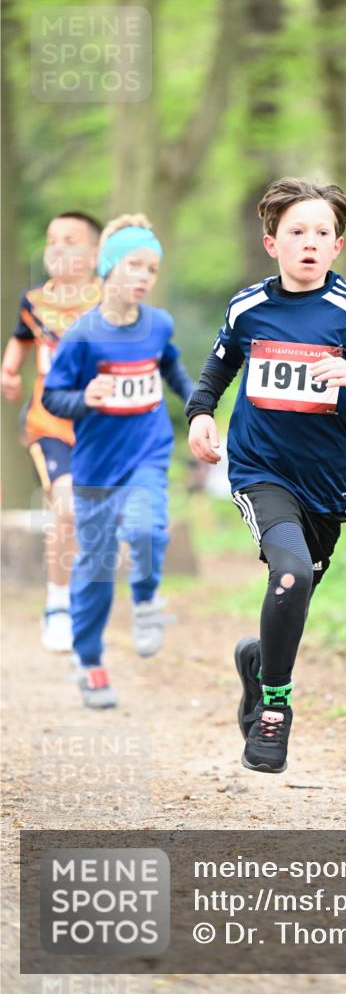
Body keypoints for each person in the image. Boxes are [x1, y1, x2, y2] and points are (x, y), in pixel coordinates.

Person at [186, 178, 346, 773]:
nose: (310, 242)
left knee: (299, 589)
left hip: (324, 485)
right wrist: (200, 416)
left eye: (322, 233)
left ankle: (260, 662)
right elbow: (216, 370)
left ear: (336, 247)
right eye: (297, 232)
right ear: (272, 243)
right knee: (287, 576)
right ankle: (274, 710)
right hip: (259, 469)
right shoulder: (247, 308)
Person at [42, 214, 194, 708]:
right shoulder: (82, 337)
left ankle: (147, 601)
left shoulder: (159, 324)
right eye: (135, 265)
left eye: (151, 269)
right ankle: (89, 662)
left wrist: (197, 406)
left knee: (149, 527)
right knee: (96, 570)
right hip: (95, 469)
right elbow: (52, 398)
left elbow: (169, 363)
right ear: (110, 268)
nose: (144, 277)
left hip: (147, 452)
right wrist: (86, 395)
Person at [1, 211, 103, 652]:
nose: (58, 247)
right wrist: (9, 370)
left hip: (100, 428)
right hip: (49, 424)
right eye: (52, 239)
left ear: (96, 254)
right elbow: (23, 336)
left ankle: (83, 596)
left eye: (71, 240)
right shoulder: (34, 301)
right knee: (65, 508)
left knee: (85, 514)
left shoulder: (110, 302)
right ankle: (58, 604)